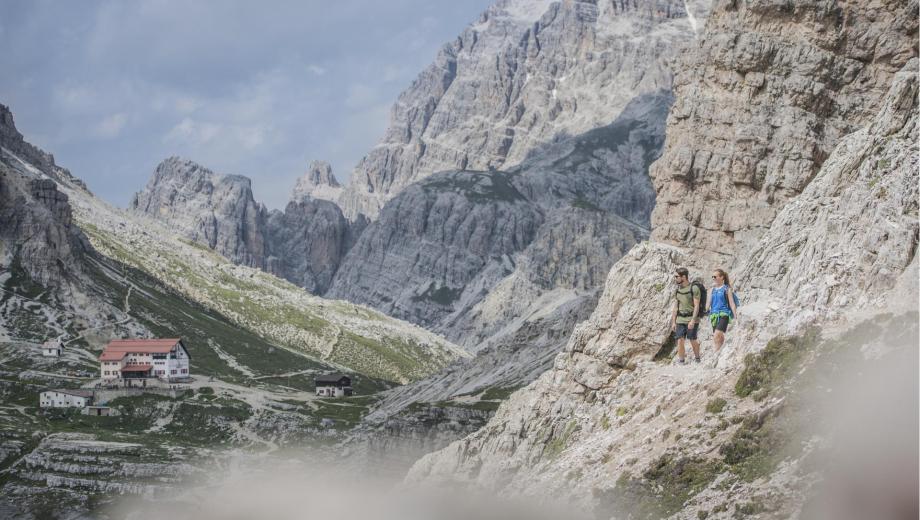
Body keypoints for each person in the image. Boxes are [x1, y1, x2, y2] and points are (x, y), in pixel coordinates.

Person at [670, 267, 702, 364]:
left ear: (683, 277)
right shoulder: (678, 290)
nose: (675, 278)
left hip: (691, 319)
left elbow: (696, 306)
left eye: (677, 277)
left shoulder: (694, 288)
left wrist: (693, 320)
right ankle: (681, 361)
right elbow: (676, 307)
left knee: (692, 339)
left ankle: (697, 358)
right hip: (680, 319)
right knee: (680, 340)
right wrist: (673, 322)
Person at [706, 268, 738, 353]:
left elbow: (732, 303)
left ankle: (716, 353)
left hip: (724, 314)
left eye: (715, 276)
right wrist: (703, 311)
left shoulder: (727, 289)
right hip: (714, 315)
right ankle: (720, 351)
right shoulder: (711, 290)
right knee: (717, 337)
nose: (713, 278)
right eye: (712, 277)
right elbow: (708, 303)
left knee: (717, 334)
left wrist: (735, 316)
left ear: (722, 277)